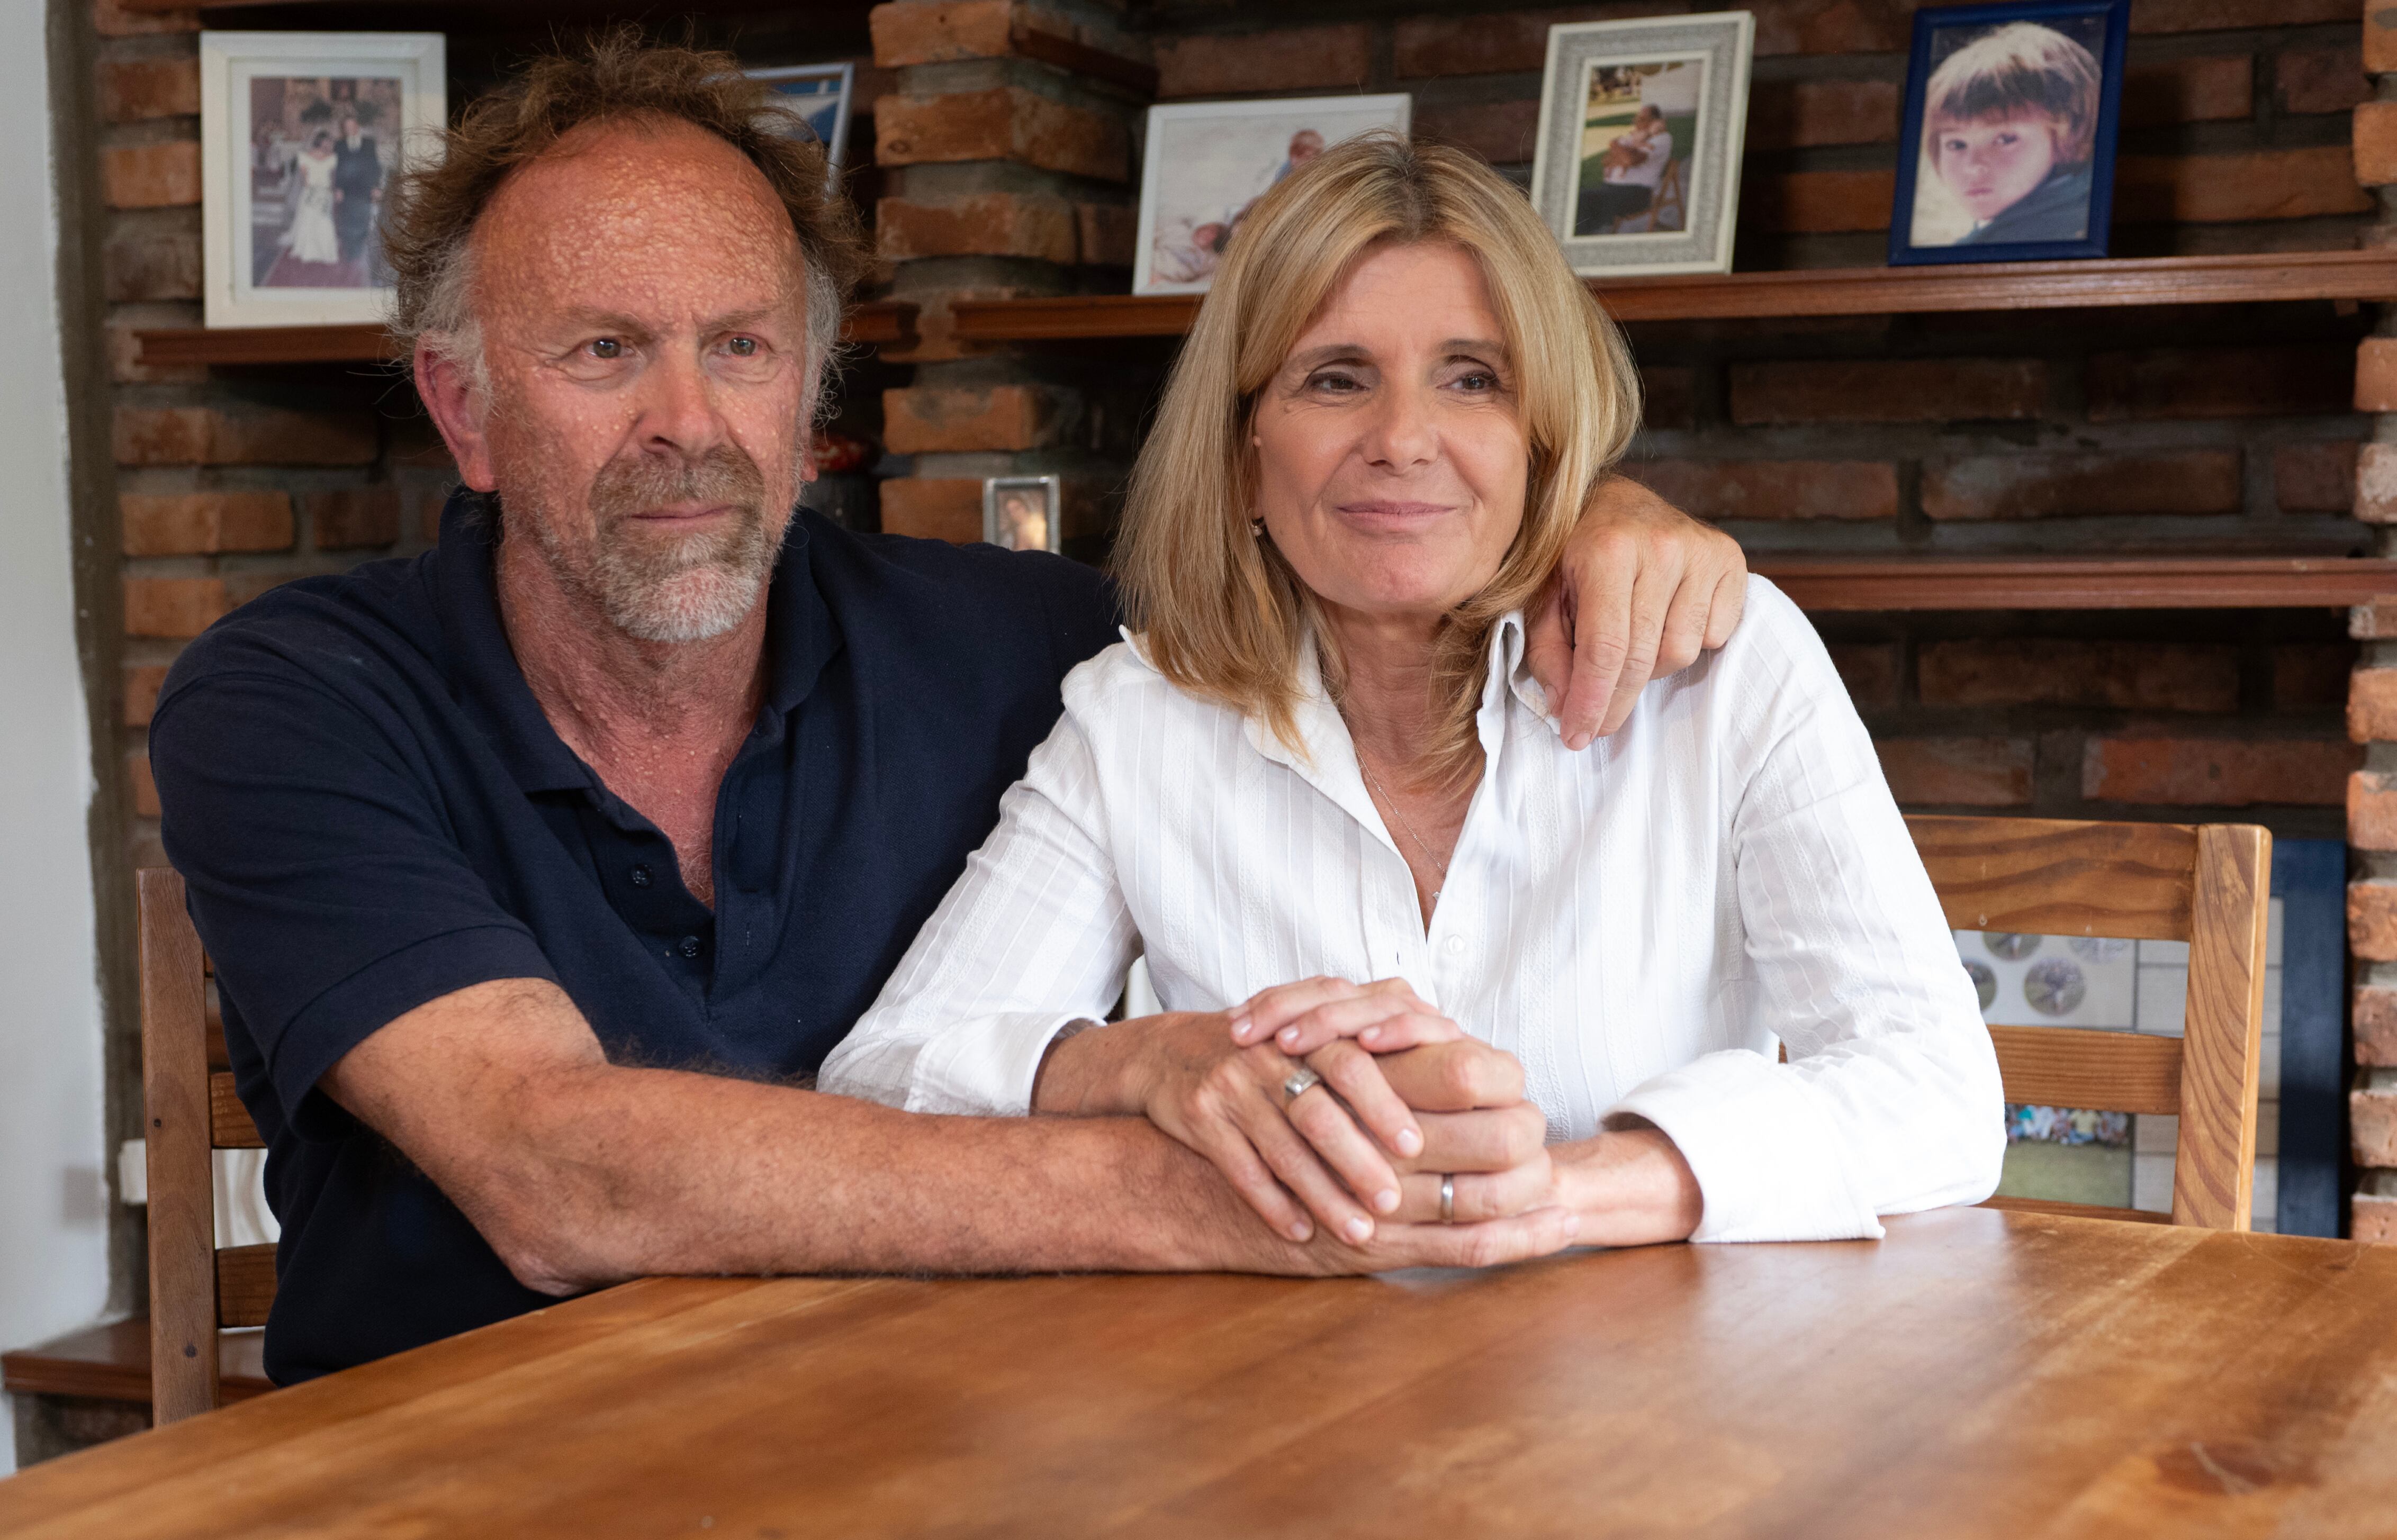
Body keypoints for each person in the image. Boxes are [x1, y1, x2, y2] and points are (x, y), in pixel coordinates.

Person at [150, 38, 1750, 1385]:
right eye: (601, 352)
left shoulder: (1038, 649)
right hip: (450, 1506)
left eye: (740, 348)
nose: (684, 425)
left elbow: (1347, 566)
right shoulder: (295, 700)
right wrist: (1240, 1192)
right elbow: (559, 1173)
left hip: (947, 1464)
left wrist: (1584, 517)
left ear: (810, 401)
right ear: (465, 408)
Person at [823, 137, 2003, 1251]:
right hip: (1282, 1397)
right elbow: (885, 1074)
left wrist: (1565, 1191)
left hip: (1655, 1408)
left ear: (1543, 436)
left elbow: (1936, 1093)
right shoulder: (1138, 715)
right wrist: (1143, 1060)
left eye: (1471, 378)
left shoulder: (1721, 665)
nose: (1401, 438)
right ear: (1242, 454)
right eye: (1334, 379)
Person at [1916, 22, 2101, 247]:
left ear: (2067, 136)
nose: (1974, 166)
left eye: (2005, 140)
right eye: (1956, 144)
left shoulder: (2049, 237)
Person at [1575, 105, 1671, 235]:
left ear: (1655, 122)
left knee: (1582, 200)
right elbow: (1606, 161)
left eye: (1642, 119)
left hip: (1636, 194)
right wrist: (1623, 152)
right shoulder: (1636, 137)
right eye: (1636, 118)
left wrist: (1616, 145)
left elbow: (1630, 160)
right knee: (1580, 200)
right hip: (1613, 189)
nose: (1637, 122)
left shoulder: (1662, 139)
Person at [332, 108, 386, 270]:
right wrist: (338, 188)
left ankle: (358, 250)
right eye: (346, 127)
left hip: (365, 189)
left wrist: (377, 187)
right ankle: (350, 253)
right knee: (347, 221)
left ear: (357, 127)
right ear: (344, 129)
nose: (349, 129)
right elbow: (338, 168)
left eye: (352, 126)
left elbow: (375, 166)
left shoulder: (369, 143)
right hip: (347, 191)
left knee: (363, 220)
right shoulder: (339, 145)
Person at [281, 128, 341, 267]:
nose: (330, 145)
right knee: (308, 221)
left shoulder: (333, 157)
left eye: (331, 143)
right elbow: (303, 180)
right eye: (328, 142)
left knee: (325, 223)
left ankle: (325, 252)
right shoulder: (304, 156)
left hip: (326, 194)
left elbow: (332, 179)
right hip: (309, 194)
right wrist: (314, 191)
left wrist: (329, 193)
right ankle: (307, 251)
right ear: (320, 142)